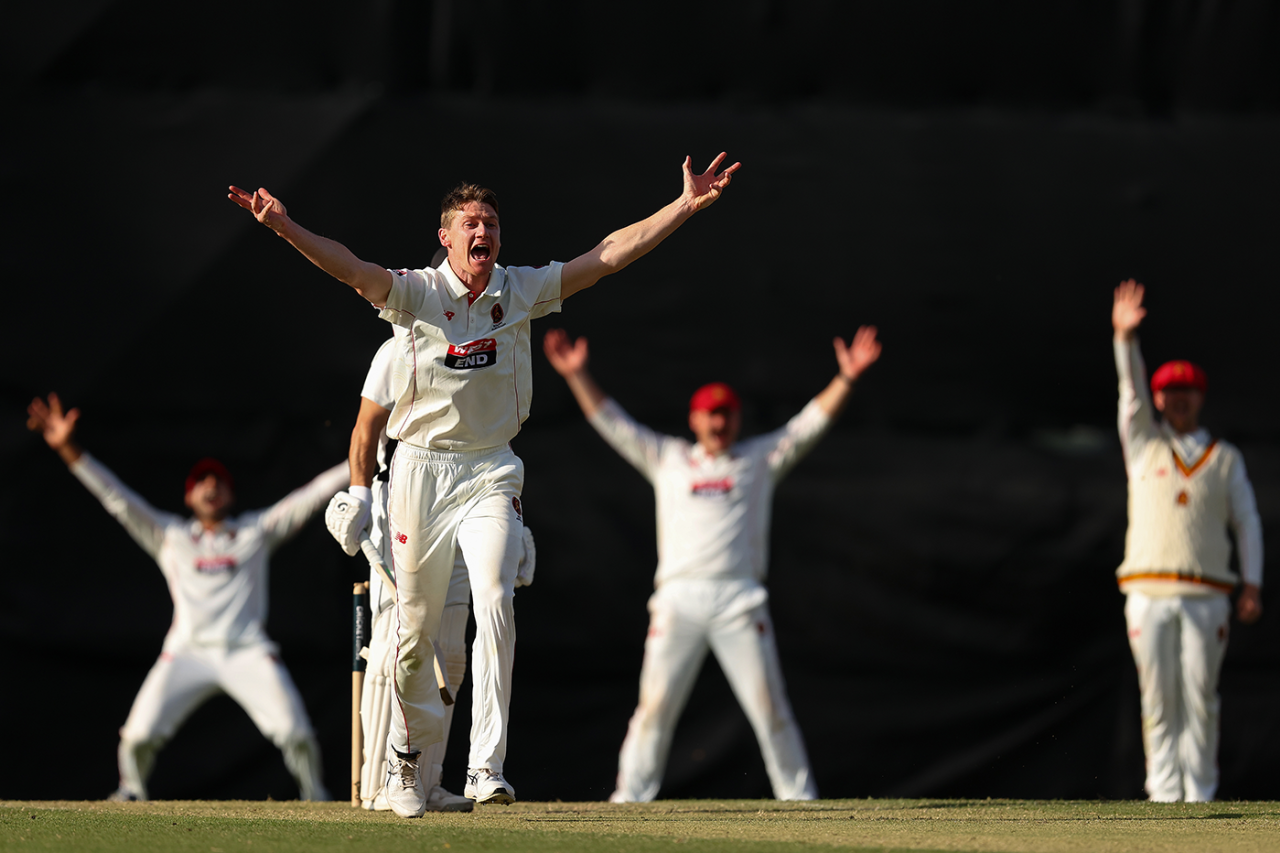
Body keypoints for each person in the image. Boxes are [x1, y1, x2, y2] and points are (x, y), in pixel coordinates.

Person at [227, 151, 739, 817]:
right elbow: (351, 269)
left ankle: (485, 768)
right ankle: (406, 769)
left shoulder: (517, 290)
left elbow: (607, 255)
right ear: (446, 236)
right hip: (418, 469)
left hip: (491, 466)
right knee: (414, 631)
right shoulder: (415, 293)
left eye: (492, 223)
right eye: (471, 223)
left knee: (496, 596)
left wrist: (683, 207)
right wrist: (285, 226)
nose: (483, 233)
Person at [542, 324, 882, 802]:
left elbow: (809, 424)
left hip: (740, 599)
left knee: (770, 708)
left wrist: (845, 379)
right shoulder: (669, 458)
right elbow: (613, 423)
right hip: (678, 599)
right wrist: (577, 376)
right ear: (695, 419)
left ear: (736, 420)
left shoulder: (759, 460)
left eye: (725, 415)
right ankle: (628, 800)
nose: (718, 424)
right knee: (654, 708)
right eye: (710, 416)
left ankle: (799, 799)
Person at [26, 393, 347, 802]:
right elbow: (116, 498)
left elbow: (314, 494)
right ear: (189, 497)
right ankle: (132, 792)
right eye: (201, 482)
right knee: (138, 736)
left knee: (294, 732)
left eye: (218, 481)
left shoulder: (255, 533)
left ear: (230, 495)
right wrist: (69, 449)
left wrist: (362, 453)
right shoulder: (170, 537)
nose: (210, 486)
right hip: (187, 651)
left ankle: (314, 796)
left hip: (247, 650)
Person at [325, 328, 535, 812]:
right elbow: (365, 427)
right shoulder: (401, 346)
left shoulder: (491, 342)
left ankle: (429, 778)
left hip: (472, 496)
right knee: (398, 642)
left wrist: (514, 530)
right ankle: (381, 782)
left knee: (453, 655)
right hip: (407, 501)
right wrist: (359, 493)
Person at [1111, 279, 1263, 802]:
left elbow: (1247, 522)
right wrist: (1124, 341)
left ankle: (1199, 796)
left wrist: (1252, 584)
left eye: (1187, 391)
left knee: (1200, 697)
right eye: (1169, 392)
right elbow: (1128, 395)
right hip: (1147, 590)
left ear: (1200, 396)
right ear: (1159, 398)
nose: (1178, 399)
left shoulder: (1224, 458)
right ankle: (1163, 795)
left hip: (1207, 594)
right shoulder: (1144, 447)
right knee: (1158, 696)